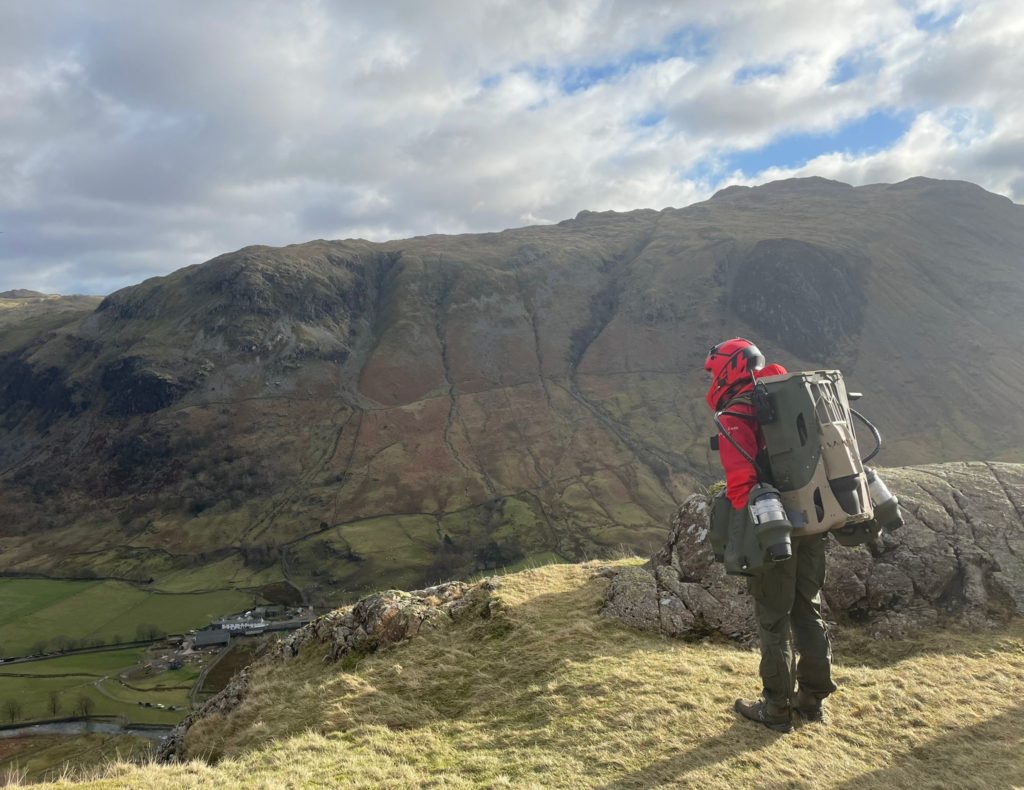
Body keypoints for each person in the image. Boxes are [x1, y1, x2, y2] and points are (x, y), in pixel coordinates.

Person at [704, 337, 837, 733]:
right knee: (807, 609)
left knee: (773, 620)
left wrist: (744, 538)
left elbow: (742, 486)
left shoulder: (735, 415)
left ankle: (776, 708)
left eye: (712, 372)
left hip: (775, 527)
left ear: (729, 369)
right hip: (814, 516)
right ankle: (812, 702)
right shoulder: (787, 395)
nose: (710, 380)